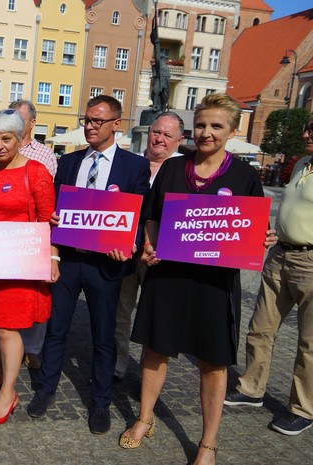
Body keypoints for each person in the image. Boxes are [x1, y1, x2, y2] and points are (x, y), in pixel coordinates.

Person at [120, 93, 273, 463]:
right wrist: (149, 243)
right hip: (168, 276)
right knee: (155, 349)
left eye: (216, 126)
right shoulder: (173, 169)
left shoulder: (244, 176)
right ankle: (145, 417)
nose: (206, 133)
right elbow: (152, 216)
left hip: (214, 284)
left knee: (213, 361)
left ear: (232, 131)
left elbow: (253, 226)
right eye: (201, 125)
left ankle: (208, 442)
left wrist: (262, 236)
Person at [27, 95, 150, 435]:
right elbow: (54, 206)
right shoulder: (69, 162)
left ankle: (100, 403)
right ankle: (46, 389)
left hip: (105, 265)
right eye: (87, 120)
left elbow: (139, 214)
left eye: (98, 121)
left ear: (116, 124)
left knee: (103, 336)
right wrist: (53, 219)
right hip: (68, 259)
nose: (90, 126)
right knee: (56, 329)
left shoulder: (133, 166)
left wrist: (130, 242)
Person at [0, 109, 58, 425]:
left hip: (19, 263)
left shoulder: (36, 171)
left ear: (19, 139)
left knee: (7, 327)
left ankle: (8, 392)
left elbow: (48, 220)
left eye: (6, 139)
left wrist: (53, 258)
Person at [224, 117, 313, 436]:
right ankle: (251, 388)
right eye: (308, 127)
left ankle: (303, 408)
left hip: (310, 261)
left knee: (309, 342)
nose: (306, 133)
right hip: (280, 255)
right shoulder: (302, 164)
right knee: (261, 327)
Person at [114, 111, 185, 381]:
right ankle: (117, 365)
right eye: (156, 132)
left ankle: (148, 375)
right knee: (120, 311)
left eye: (167, 135)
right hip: (126, 250)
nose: (159, 139)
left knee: (155, 316)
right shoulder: (131, 163)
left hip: (162, 255)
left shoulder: (183, 171)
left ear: (179, 140)